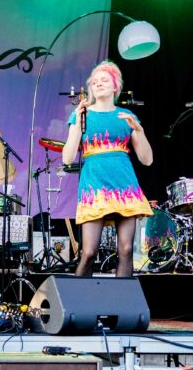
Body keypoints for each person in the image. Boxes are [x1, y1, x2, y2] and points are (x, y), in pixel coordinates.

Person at [63, 60, 154, 277]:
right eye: (94, 81)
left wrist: (139, 131)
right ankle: (78, 298)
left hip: (124, 186)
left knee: (126, 250)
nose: (98, 83)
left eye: (104, 80)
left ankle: (122, 299)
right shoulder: (82, 114)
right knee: (88, 253)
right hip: (94, 185)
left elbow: (147, 160)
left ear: (115, 86)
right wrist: (78, 123)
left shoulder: (125, 116)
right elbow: (67, 158)